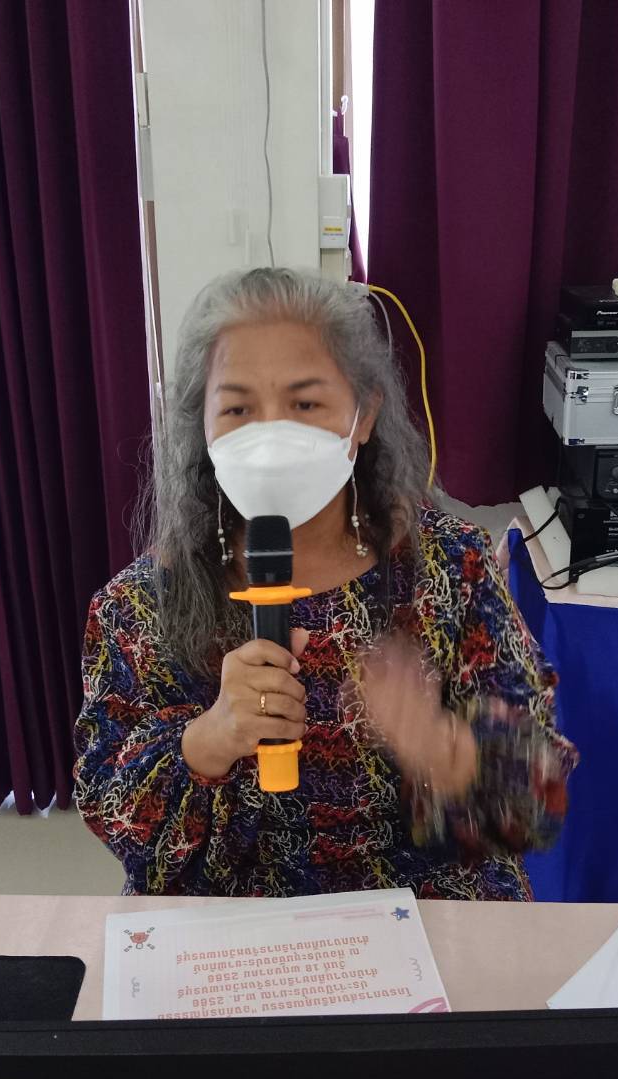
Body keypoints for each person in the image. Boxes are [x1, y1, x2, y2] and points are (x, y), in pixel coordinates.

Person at [74, 268, 577, 899]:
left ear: (364, 415)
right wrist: (210, 738)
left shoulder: (453, 568)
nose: (270, 436)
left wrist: (446, 749)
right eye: (237, 409)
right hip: (227, 920)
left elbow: (538, 799)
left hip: (422, 915)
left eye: (305, 404)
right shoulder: (139, 604)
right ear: (201, 426)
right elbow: (111, 808)